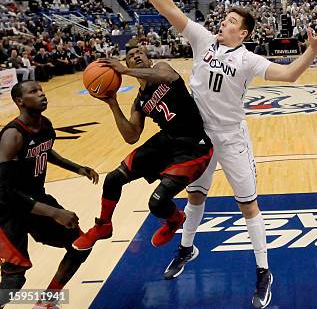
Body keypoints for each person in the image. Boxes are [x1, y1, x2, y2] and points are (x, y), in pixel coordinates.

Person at [105, 0, 317, 309]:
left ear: (242, 33)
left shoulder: (248, 60)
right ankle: (187, 248)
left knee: (248, 205)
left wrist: (311, 50)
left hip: (231, 138)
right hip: (197, 139)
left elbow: (289, 75)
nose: (222, 22)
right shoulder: (202, 40)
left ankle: (263, 271)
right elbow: (167, 8)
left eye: (230, 21)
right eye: (224, 18)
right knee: (195, 197)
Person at [72, 47, 213, 252]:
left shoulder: (162, 69)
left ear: (148, 59)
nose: (136, 56)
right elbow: (131, 136)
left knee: (157, 203)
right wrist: (113, 104)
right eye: (130, 56)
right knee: (113, 179)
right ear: (126, 63)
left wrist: (125, 71)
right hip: (166, 141)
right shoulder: (139, 102)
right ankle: (103, 226)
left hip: (193, 145)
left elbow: (163, 75)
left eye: (140, 53)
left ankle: (175, 220)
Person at [0, 81, 99, 309]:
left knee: (80, 245)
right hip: (7, 209)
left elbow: (45, 150)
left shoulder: (45, 125)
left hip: (34, 198)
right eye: (33, 92)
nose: (41, 94)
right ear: (20, 101)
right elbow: (5, 192)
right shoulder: (11, 136)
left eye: (41, 90)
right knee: (14, 278)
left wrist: (77, 168)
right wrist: (54, 212)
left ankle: (47, 301)